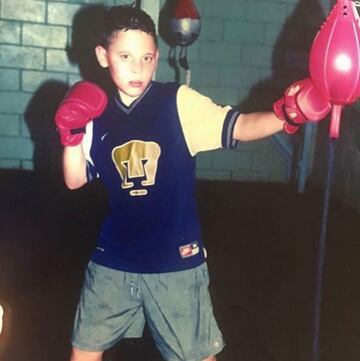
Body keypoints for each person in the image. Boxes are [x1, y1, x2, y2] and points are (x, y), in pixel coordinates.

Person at [54, 5, 331, 361]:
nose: (138, 68)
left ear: (157, 58)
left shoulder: (178, 103)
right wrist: (71, 134)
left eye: (147, 57)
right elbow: (75, 179)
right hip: (114, 260)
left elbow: (240, 126)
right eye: (125, 56)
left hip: (175, 261)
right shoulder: (94, 113)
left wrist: (287, 114)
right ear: (103, 56)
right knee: (84, 352)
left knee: (197, 357)